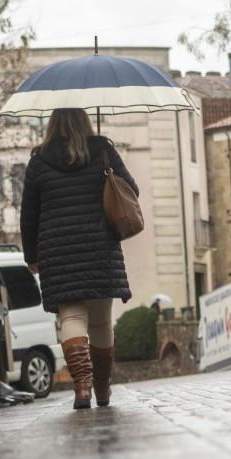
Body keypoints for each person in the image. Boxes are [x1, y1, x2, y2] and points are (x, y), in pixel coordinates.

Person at [20, 108, 138, 409]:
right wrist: (104, 168)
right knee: (100, 322)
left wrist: (32, 255)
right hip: (99, 246)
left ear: (52, 124)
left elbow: (28, 216)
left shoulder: (38, 162)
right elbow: (131, 191)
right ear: (86, 121)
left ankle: (82, 388)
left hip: (57, 252)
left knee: (71, 317)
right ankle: (102, 389)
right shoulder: (103, 152)